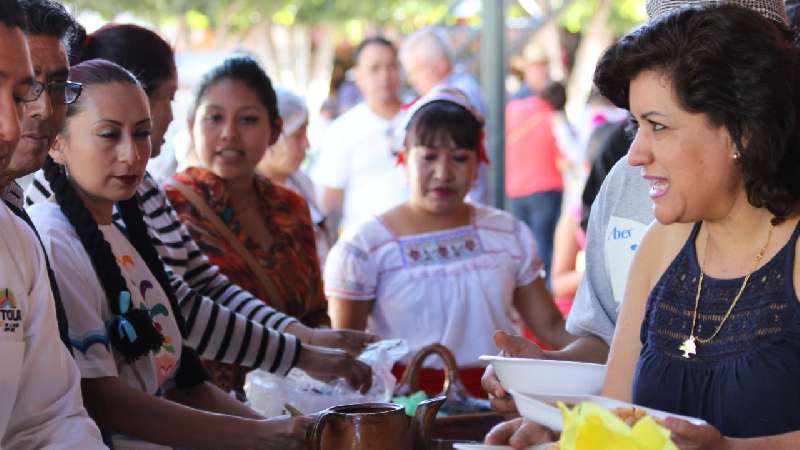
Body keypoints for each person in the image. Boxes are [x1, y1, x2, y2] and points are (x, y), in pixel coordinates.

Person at [26, 23, 376, 397]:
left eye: (141, 130)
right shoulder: (59, 223)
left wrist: (304, 343)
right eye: (169, 97)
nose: (172, 116)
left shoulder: (139, 192)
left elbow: (195, 288)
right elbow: (178, 319)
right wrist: (298, 356)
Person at [29, 58, 315, 450]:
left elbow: (182, 382)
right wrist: (261, 433)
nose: (131, 155)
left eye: (141, 133)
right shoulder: (53, 238)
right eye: (109, 134)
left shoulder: (123, 235)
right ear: (57, 143)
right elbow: (103, 398)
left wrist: (282, 433)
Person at [596, 5, 800, 446]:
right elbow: (616, 421)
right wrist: (557, 432)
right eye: (636, 126)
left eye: (658, 126)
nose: (635, 154)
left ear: (741, 132)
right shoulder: (662, 244)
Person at [324, 87, 575, 398]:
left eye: (459, 158)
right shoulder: (365, 247)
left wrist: (610, 354)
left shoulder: (507, 233)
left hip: (498, 402)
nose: (443, 173)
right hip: (404, 408)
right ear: (403, 158)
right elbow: (348, 350)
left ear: (477, 165)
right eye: (428, 157)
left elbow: (550, 326)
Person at [165, 55, 347, 395]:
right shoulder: (169, 208)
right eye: (214, 118)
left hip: (296, 403)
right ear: (191, 126)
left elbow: (315, 312)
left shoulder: (290, 206)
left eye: (248, 120)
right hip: (208, 407)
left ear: (275, 129)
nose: (229, 135)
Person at [0, 1, 105, 447]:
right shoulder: (43, 227)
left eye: (55, 86)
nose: (16, 121)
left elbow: (49, 418)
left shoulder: (15, 237)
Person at [1, 0, 84, 354]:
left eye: (56, 85)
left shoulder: (16, 225)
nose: (44, 108)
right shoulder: (42, 225)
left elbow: (50, 404)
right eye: (26, 89)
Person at [311, 37, 408, 233]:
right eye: (375, 68)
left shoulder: (421, 117)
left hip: (420, 241)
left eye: (391, 66)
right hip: (367, 246)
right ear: (358, 76)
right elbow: (330, 201)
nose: (385, 76)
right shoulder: (342, 130)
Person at [399, 26, 489, 205]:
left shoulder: (454, 97)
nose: (412, 80)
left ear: (440, 65)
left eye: (416, 71)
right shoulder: (464, 89)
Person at [256, 87, 332, 266]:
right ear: (270, 137)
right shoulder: (248, 196)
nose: (307, 144)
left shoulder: (302, 181)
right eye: (298, 135)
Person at [505, 75, 568, 283]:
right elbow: (565, 153)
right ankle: (545, 295)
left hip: (515, 188)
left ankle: (526, 291)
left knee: (523, 247)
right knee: (544, 245)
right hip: (546, 187)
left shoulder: (511, 110)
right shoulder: (551, 114)